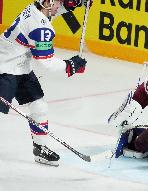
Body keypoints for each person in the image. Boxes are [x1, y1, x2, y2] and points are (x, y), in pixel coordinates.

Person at [0, 0, 92, 167]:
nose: (59, 5)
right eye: (58, 2)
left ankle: (40, 148)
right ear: (47, 3)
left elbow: (51, 13)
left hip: (21, 66)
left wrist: (73, 4)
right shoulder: (41, 27)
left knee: (39, 107)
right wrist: (70, 65)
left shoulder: (37, 10)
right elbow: (45, 62)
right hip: (4, 68)